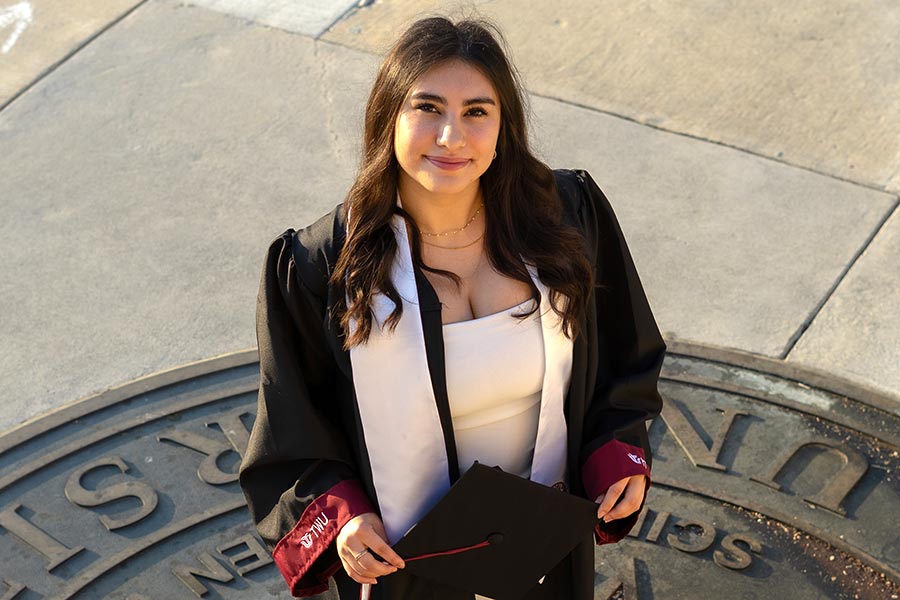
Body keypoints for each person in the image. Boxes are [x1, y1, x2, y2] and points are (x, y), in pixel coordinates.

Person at [239, 15, 665, 600]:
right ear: (389, 116)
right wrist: (344, 519)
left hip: (544, 547)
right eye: (428, 107)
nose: (450, 137)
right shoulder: (324, 266)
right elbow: (293, 428)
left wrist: (618, 454)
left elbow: (625, 357)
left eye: (476, 112)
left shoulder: (565, 220)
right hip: (408, 565)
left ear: (503, 126)